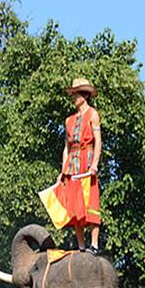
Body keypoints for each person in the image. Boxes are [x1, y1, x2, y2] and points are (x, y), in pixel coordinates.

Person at [59, 78, 102, 253]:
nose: (73, 98)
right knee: (75, 205)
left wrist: (94, 164)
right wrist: (62, 170)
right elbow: (66, 147)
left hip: (87, 160)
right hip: (72, 164)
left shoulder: (93, 114)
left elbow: (98, 141)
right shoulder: (68, 120)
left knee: (90, 202)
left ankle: (94, 244)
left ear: (84, 95)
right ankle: (81, 245)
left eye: (76, 94)